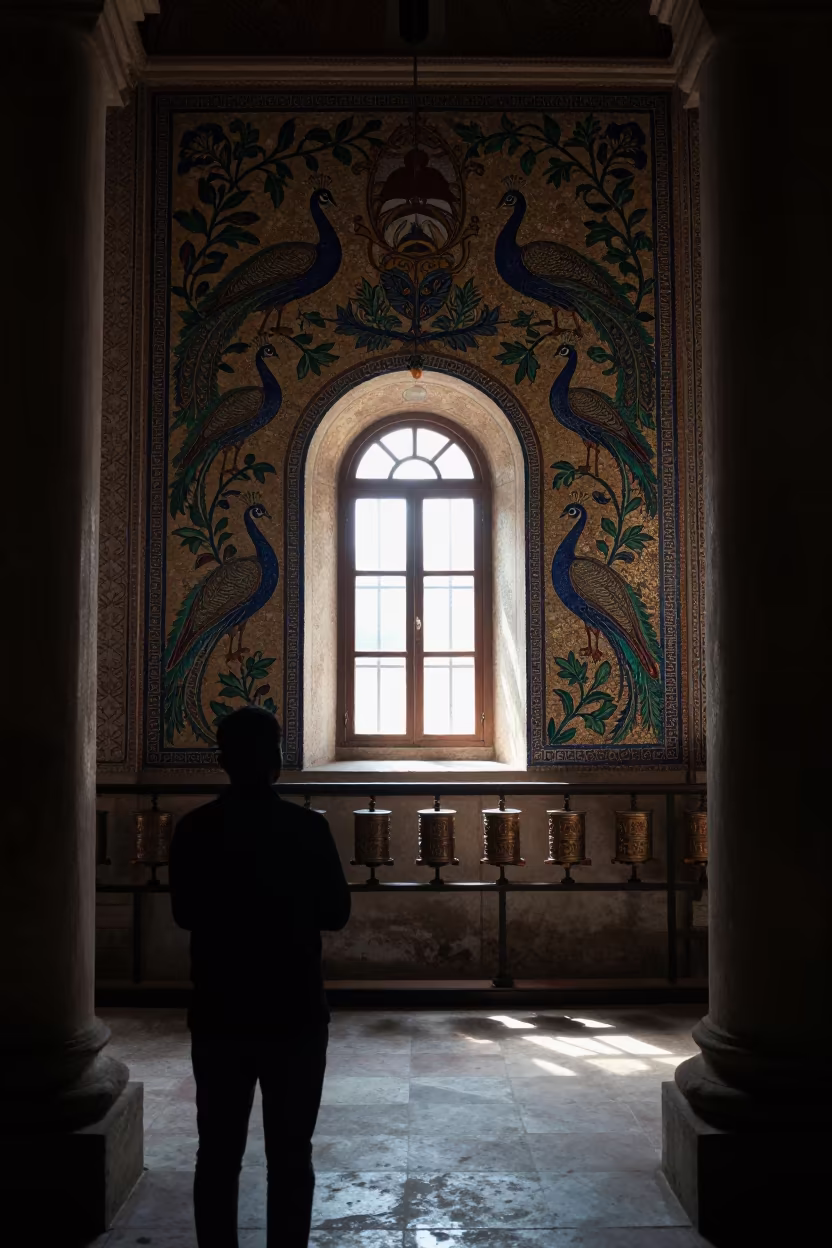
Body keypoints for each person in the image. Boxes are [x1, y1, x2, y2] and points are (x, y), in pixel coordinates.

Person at [169, 706, 351, 1248]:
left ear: (222, 761)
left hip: (221, 1009)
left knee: (217, 1155)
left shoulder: (195, 829)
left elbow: (184, 914)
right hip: (293, 1011)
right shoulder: (308, 828)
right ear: (276, 761)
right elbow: (336, 914)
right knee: (292, 1156)